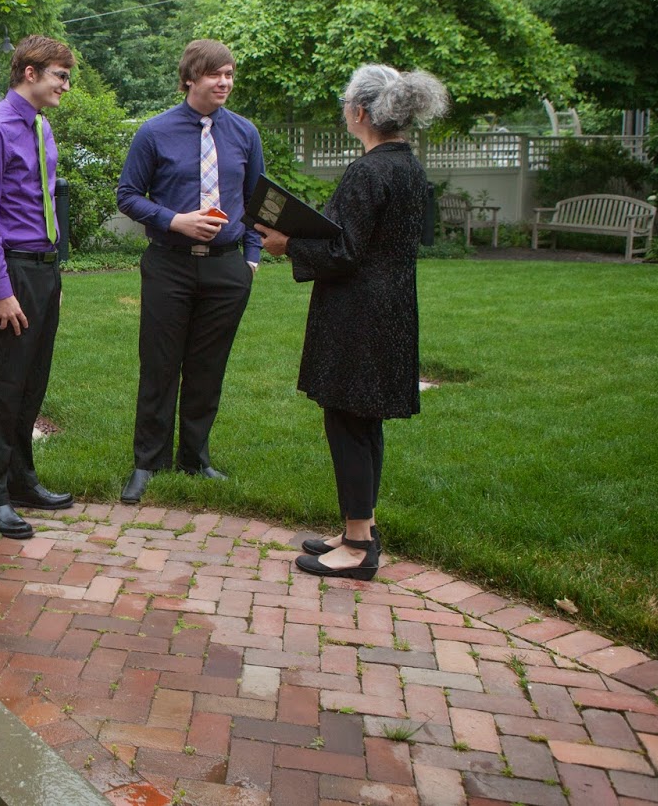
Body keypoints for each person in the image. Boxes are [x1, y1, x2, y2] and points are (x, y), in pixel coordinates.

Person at [256, 64, 449, 581]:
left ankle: (359, 546)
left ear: (360, 112)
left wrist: (286, 243)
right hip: (389, 308)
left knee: (348, 420)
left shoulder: (370, 170)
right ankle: (357, 527)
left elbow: (344, 250)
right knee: (363, 422)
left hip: (358, 312)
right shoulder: (406, 165)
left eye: (346, 105)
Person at [115, 39, 264, 502]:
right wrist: (173, 220)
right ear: (189, 79)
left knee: (207, 369)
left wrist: (252, 257)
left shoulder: (244, 133)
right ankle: (147, 462)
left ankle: (195, 458)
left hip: (226, 269)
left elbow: (260, 201)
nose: (224, 82)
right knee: (159, 365)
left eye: (230, 74)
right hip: (169, 266)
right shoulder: (154, 132)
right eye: (214, 74)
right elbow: (127, 194)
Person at [0, 35, 78, 541]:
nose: (66, 85)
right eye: (60, 74)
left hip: (43, 269)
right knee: (4, 391)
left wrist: (52, 267)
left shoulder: (41, 126)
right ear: (29, 73)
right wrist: (0, 288)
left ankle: (21, 481)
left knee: (32, 383)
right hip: (10, 273)